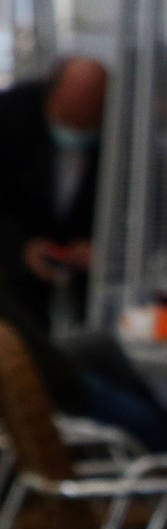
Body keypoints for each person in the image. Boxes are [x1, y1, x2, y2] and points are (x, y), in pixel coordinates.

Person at [0, 56, 106, 334]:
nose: (79, 128)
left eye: (89, 119)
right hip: (15, 264)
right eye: (71, 116)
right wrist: (22, 249)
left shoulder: (119, 134)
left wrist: (101, 247)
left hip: (89, 275)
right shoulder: (11, 117)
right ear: (53, 95)